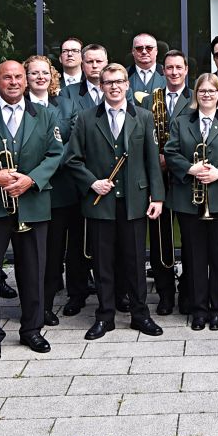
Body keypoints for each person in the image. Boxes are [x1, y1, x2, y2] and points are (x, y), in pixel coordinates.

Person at [0, 60, 65, 362]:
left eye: (19, 77)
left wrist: (31, 179)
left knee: (34, 271)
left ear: (26, 81)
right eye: (7, 77)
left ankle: (32, 329)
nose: (14, 82)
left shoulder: (45, 115)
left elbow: (55, 154)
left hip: (32, 204)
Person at [64, 63, 165, 340]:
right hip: (101, 203)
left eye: (119, 81)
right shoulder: (86, 118)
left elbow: (152, 160)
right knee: (102, 263)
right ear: (101, 86)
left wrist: (157, 197)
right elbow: (72, 159)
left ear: (127, 85)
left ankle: (140, 315)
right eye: (108, 82)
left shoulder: (143, 117)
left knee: (135, 262)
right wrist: (91, 182)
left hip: (135, 201)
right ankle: (105, 316)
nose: (114, 86)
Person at [164, 74, 218, 330]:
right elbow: (170, 151)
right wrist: (190, 168)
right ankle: (199, 310)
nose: (207, 95)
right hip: (189, 201)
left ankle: (217, 309)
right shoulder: (180, 122)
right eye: (202, 90)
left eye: (212, 91)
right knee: (195, 258)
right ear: (196, 94)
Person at [26, 54, 79, 326]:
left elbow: (73, 141)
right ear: (26, 78)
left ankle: (46, 305)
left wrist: (49, 164)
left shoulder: (67, 105)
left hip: (61, 189)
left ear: (52, 76)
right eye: (34, 73)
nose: (40, 77)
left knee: (56, 250)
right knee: (37, 254)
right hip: (29, 189)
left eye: (45, 72)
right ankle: (36, 305)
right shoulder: (19, 105)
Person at [140, 49, 193, 315]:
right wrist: (156, 158)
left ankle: (188, 291)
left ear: (186, 70)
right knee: (161, 239)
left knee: (191, 239)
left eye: (178, 67)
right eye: (169, 68)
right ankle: (165, 294)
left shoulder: (196, 97)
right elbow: (141, 134)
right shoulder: (150, 99)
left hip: (187, 180)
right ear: (163, 70)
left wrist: (173, 159)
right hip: (158, 178)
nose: (174, 72)